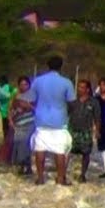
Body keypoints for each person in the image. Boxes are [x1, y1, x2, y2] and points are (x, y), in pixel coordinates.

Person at [27, 55, 76, 186]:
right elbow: (72, 103)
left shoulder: (38, 81)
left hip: (41, 119)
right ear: (61, 66)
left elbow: (32, 99)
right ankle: (60, 178)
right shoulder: (66, 82)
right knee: (60, 151)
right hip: (59, 120)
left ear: (47, 66)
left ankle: (40, 178)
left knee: (40, 149)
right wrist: (67, 113)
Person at [67, 79, 100, 182]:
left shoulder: (93, 102)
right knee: (67, 152)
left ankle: (83, 174)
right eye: (78, 87)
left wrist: (97, 131)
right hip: (72, 130)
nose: (79, 89)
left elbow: (97, 118)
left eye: (82, 87)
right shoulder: (73, 102)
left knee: (86, 154)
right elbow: (66, 114)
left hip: (86, 131)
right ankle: (63, 173)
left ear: (87, 89)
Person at [10, 76, 36, 175]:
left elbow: (38, 110)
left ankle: (28, 167)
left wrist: (30, 107)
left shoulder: (33, 96)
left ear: (29, 85)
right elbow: (11, 109)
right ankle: (21, 166)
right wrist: (11, 120)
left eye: (25, 84)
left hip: (30, 123)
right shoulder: (16, 96)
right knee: (18, 143)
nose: (23, 86)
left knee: (26, 144)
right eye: (21, 84)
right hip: (18, 123)